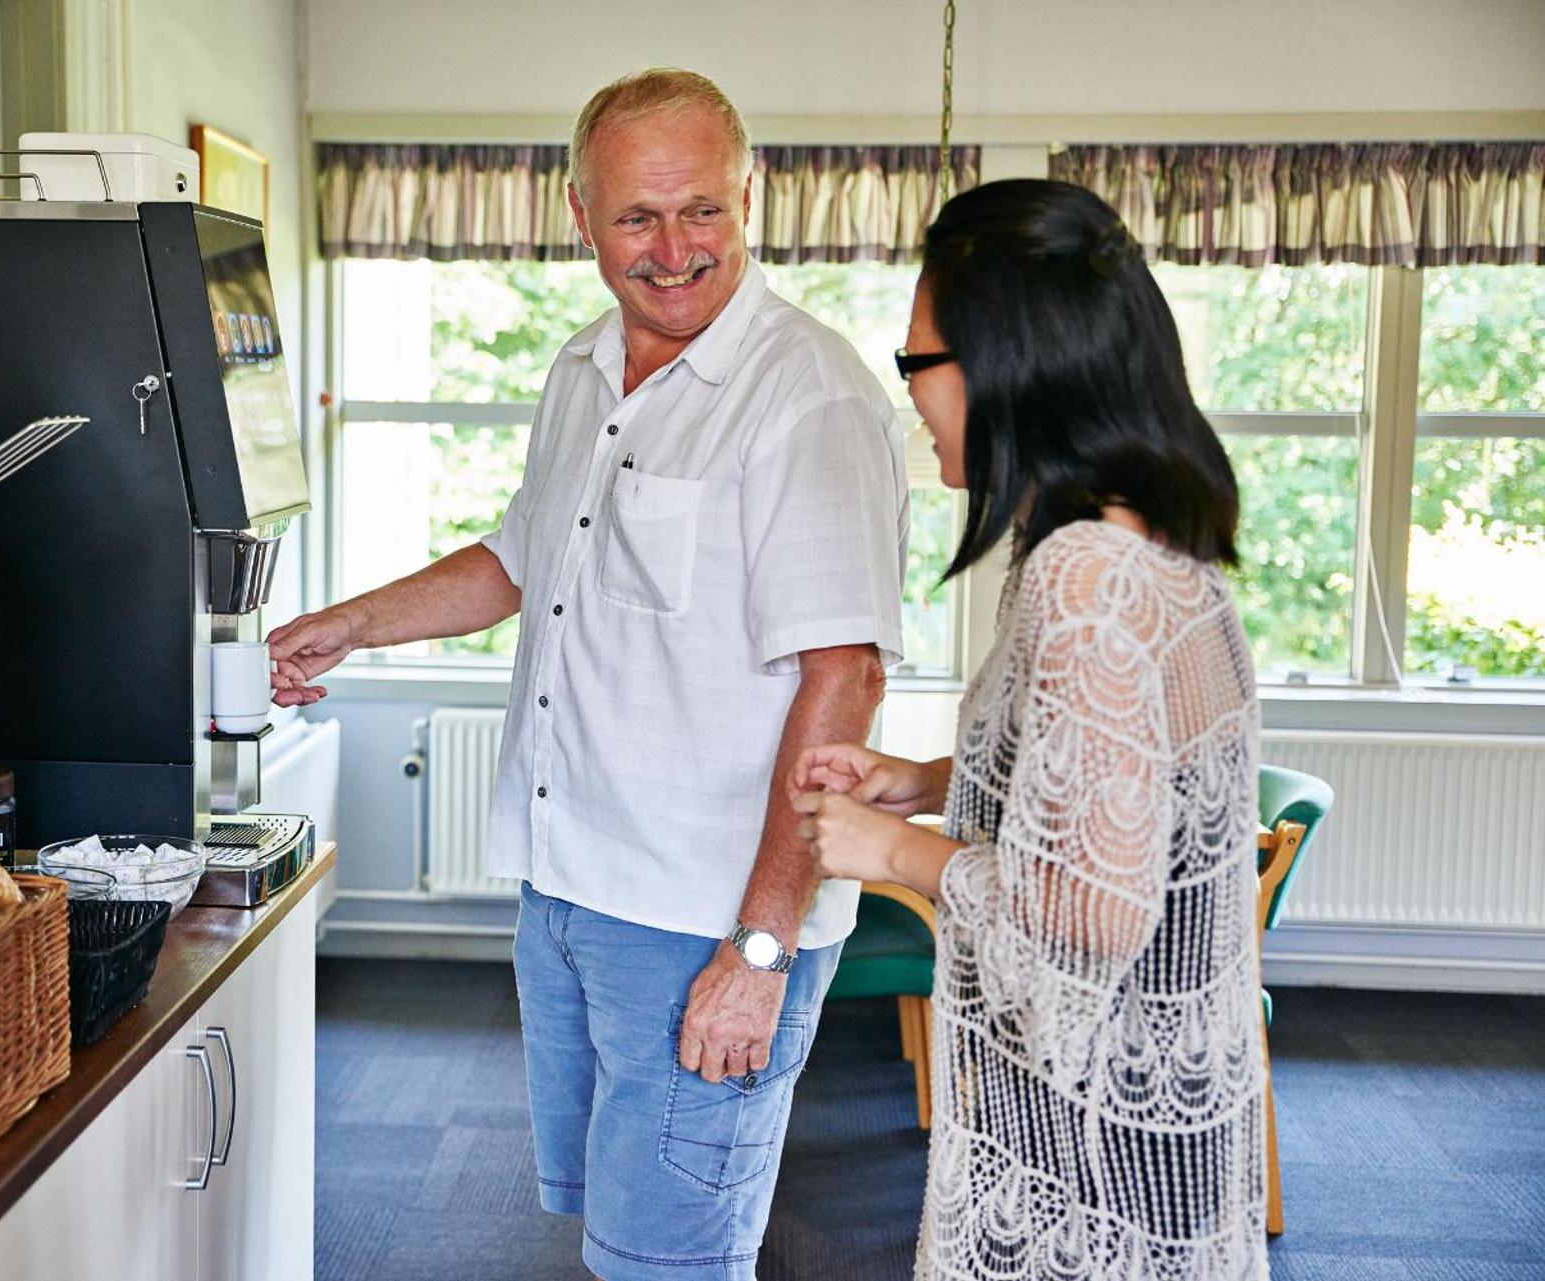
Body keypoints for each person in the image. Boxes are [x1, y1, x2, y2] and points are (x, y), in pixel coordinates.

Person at [269, 68, 910, 1281]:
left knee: (674, 1258)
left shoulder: (806, 395)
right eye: (638, 217)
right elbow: (525, 558)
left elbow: (845, 679)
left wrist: (759, 954)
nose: (674, 251)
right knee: (614, 1236)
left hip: (706, 915)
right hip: (569, 890)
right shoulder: (583, 369)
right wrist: (350, 624)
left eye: (703, 210)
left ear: (751, 197)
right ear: (580, 219)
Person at [790, 179, 1268, 1278]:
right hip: (1155, 1124)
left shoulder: (1085, 577)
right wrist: (919, 781)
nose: (910, 395)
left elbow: (1088, 918)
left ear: (1007, 365)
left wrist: (893, 855)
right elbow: (1114, 776)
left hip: (1091, 1131)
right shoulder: (1147, 547)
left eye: (918, 364)